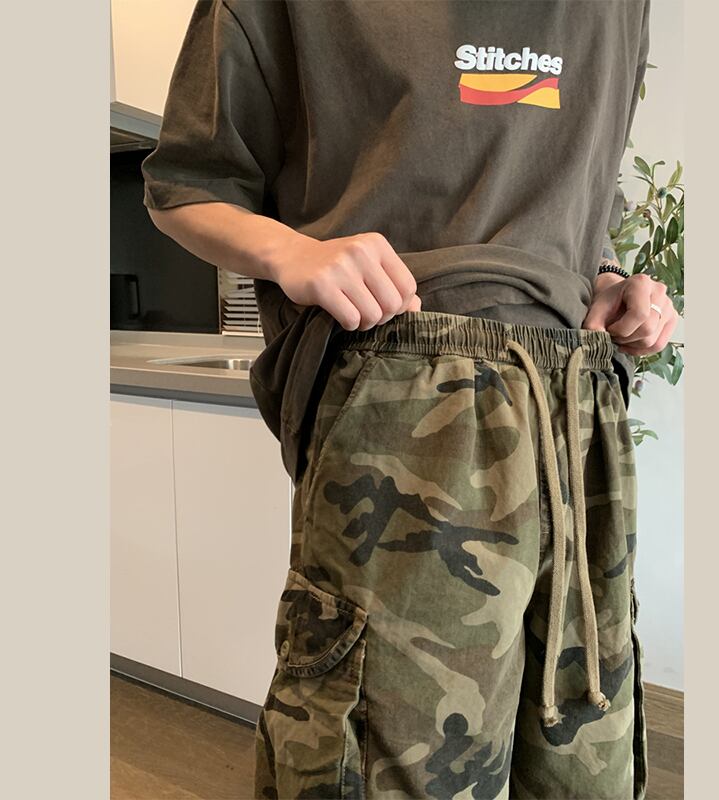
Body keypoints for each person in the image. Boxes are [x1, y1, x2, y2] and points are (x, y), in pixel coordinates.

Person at [141, 1, 674, 797]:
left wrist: (604, 278)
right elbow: (186, 184)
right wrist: (293, 253)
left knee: (583, 760)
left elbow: (570, 194)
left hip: (580, 404)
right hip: (408, 398)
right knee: (394, 767)